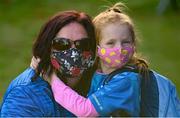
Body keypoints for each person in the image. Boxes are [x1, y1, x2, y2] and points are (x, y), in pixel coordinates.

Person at [37, 2, 150, 117]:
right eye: (111, 43)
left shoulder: (126, 80)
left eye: (126, 42)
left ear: (133, 44)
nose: (119, 49)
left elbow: (85, 111)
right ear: (97, 48)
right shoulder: (97, 72)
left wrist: (52, 78)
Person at [0, 10, 96, 116]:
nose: (73, 53)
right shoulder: (26, 93)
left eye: (82, 44)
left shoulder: (99, 83)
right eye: (62, 44)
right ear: (47, 47)